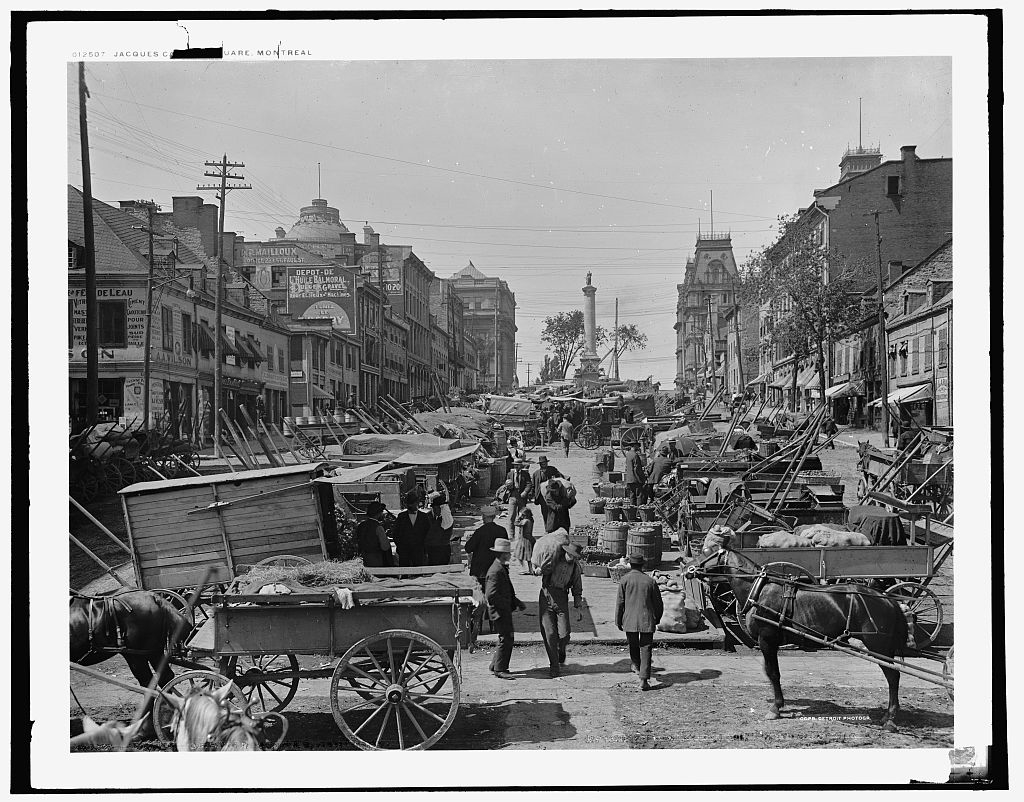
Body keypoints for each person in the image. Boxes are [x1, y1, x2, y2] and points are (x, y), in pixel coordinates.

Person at [615, 553, 665, 691]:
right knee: (646, 648)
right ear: (642, 565)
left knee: (633, 644)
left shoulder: (624, 580)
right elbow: (658, 604)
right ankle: (643, 679)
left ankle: (636, 666)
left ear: (630, 564)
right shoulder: (650, 581)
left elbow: (620, 603)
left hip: (629, 619)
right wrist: (657, 618)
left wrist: (618, 620)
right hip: (647, 619)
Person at [539, 542, 584, 678]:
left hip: (562, 598)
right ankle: (554, 666)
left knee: (565, 633)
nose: (571, 557)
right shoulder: (554, 560)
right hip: (546, 596)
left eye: (574, 556)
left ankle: (561, 648)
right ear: (565, 552)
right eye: (570, 554)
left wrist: (578, 607)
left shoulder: (575, 567)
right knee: (550, 634)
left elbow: (577, 587)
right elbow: (541, 568)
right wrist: (538, 569)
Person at [484, 538, 527, 679]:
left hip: (502, 609)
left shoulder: (499, 567)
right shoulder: (495, 571)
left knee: (504, 637)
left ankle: (495, 664)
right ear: (503, 554)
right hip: (499, 611)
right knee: (506, 638)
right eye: (508, 553)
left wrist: (517, 602)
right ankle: (500, 669)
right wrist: (506, 604)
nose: (510, 555)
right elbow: (491, 595)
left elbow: (506, 589)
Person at [465, 507, 507, 646]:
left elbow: (468, 548)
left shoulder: (480, 532)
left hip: (480, 573)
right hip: (496, 572)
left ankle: (476, 623)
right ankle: (494, 623)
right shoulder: (502, 531)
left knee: (478, 597)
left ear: (484, 517)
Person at [391, 491, 430, 567]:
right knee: (404, 575)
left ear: (417, 503)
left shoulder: (424, 517)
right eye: (409, 504)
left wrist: (424, 549)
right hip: (404, 553)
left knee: (418, 576)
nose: (411, 506)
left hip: (419, 552)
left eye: (413, 503)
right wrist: (401, 547)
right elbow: (396, 534)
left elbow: (427, 533)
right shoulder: (401, 516)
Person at [355, 501, 393, 567]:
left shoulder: (361, 525)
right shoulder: (378, 528)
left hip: (362, 561)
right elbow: (385, 547)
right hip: (376, 561)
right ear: (378, 513)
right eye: (382, 512)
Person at [425, 491, 454, 565]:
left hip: (441, 552)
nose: (434, 510)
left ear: (441, 508)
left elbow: (435, 534)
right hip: (433, 552)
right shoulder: (437, 518)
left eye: (435, 508)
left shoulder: (446, 520)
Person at [505, 460, 532, 537]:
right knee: (511, 517)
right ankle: (511, 535)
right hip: (512, 496)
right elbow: (506, 484)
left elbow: (529, 484)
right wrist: (508, 485)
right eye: (515, 465)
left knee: (522, 516)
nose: (516, 467)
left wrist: (525, 492)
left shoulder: (525, 474)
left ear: (521, 466)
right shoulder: (510, 474)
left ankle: (521, 534)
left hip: (522, 497)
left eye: (518, 465)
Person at [512, 507, 536, 575]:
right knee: (520, 555)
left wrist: (518, 517)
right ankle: (529, 569)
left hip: (526, 540)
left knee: (528, 557)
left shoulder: (526, 521)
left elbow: (516, 523)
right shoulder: (529, 520)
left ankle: (530, 570)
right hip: (524, 539)